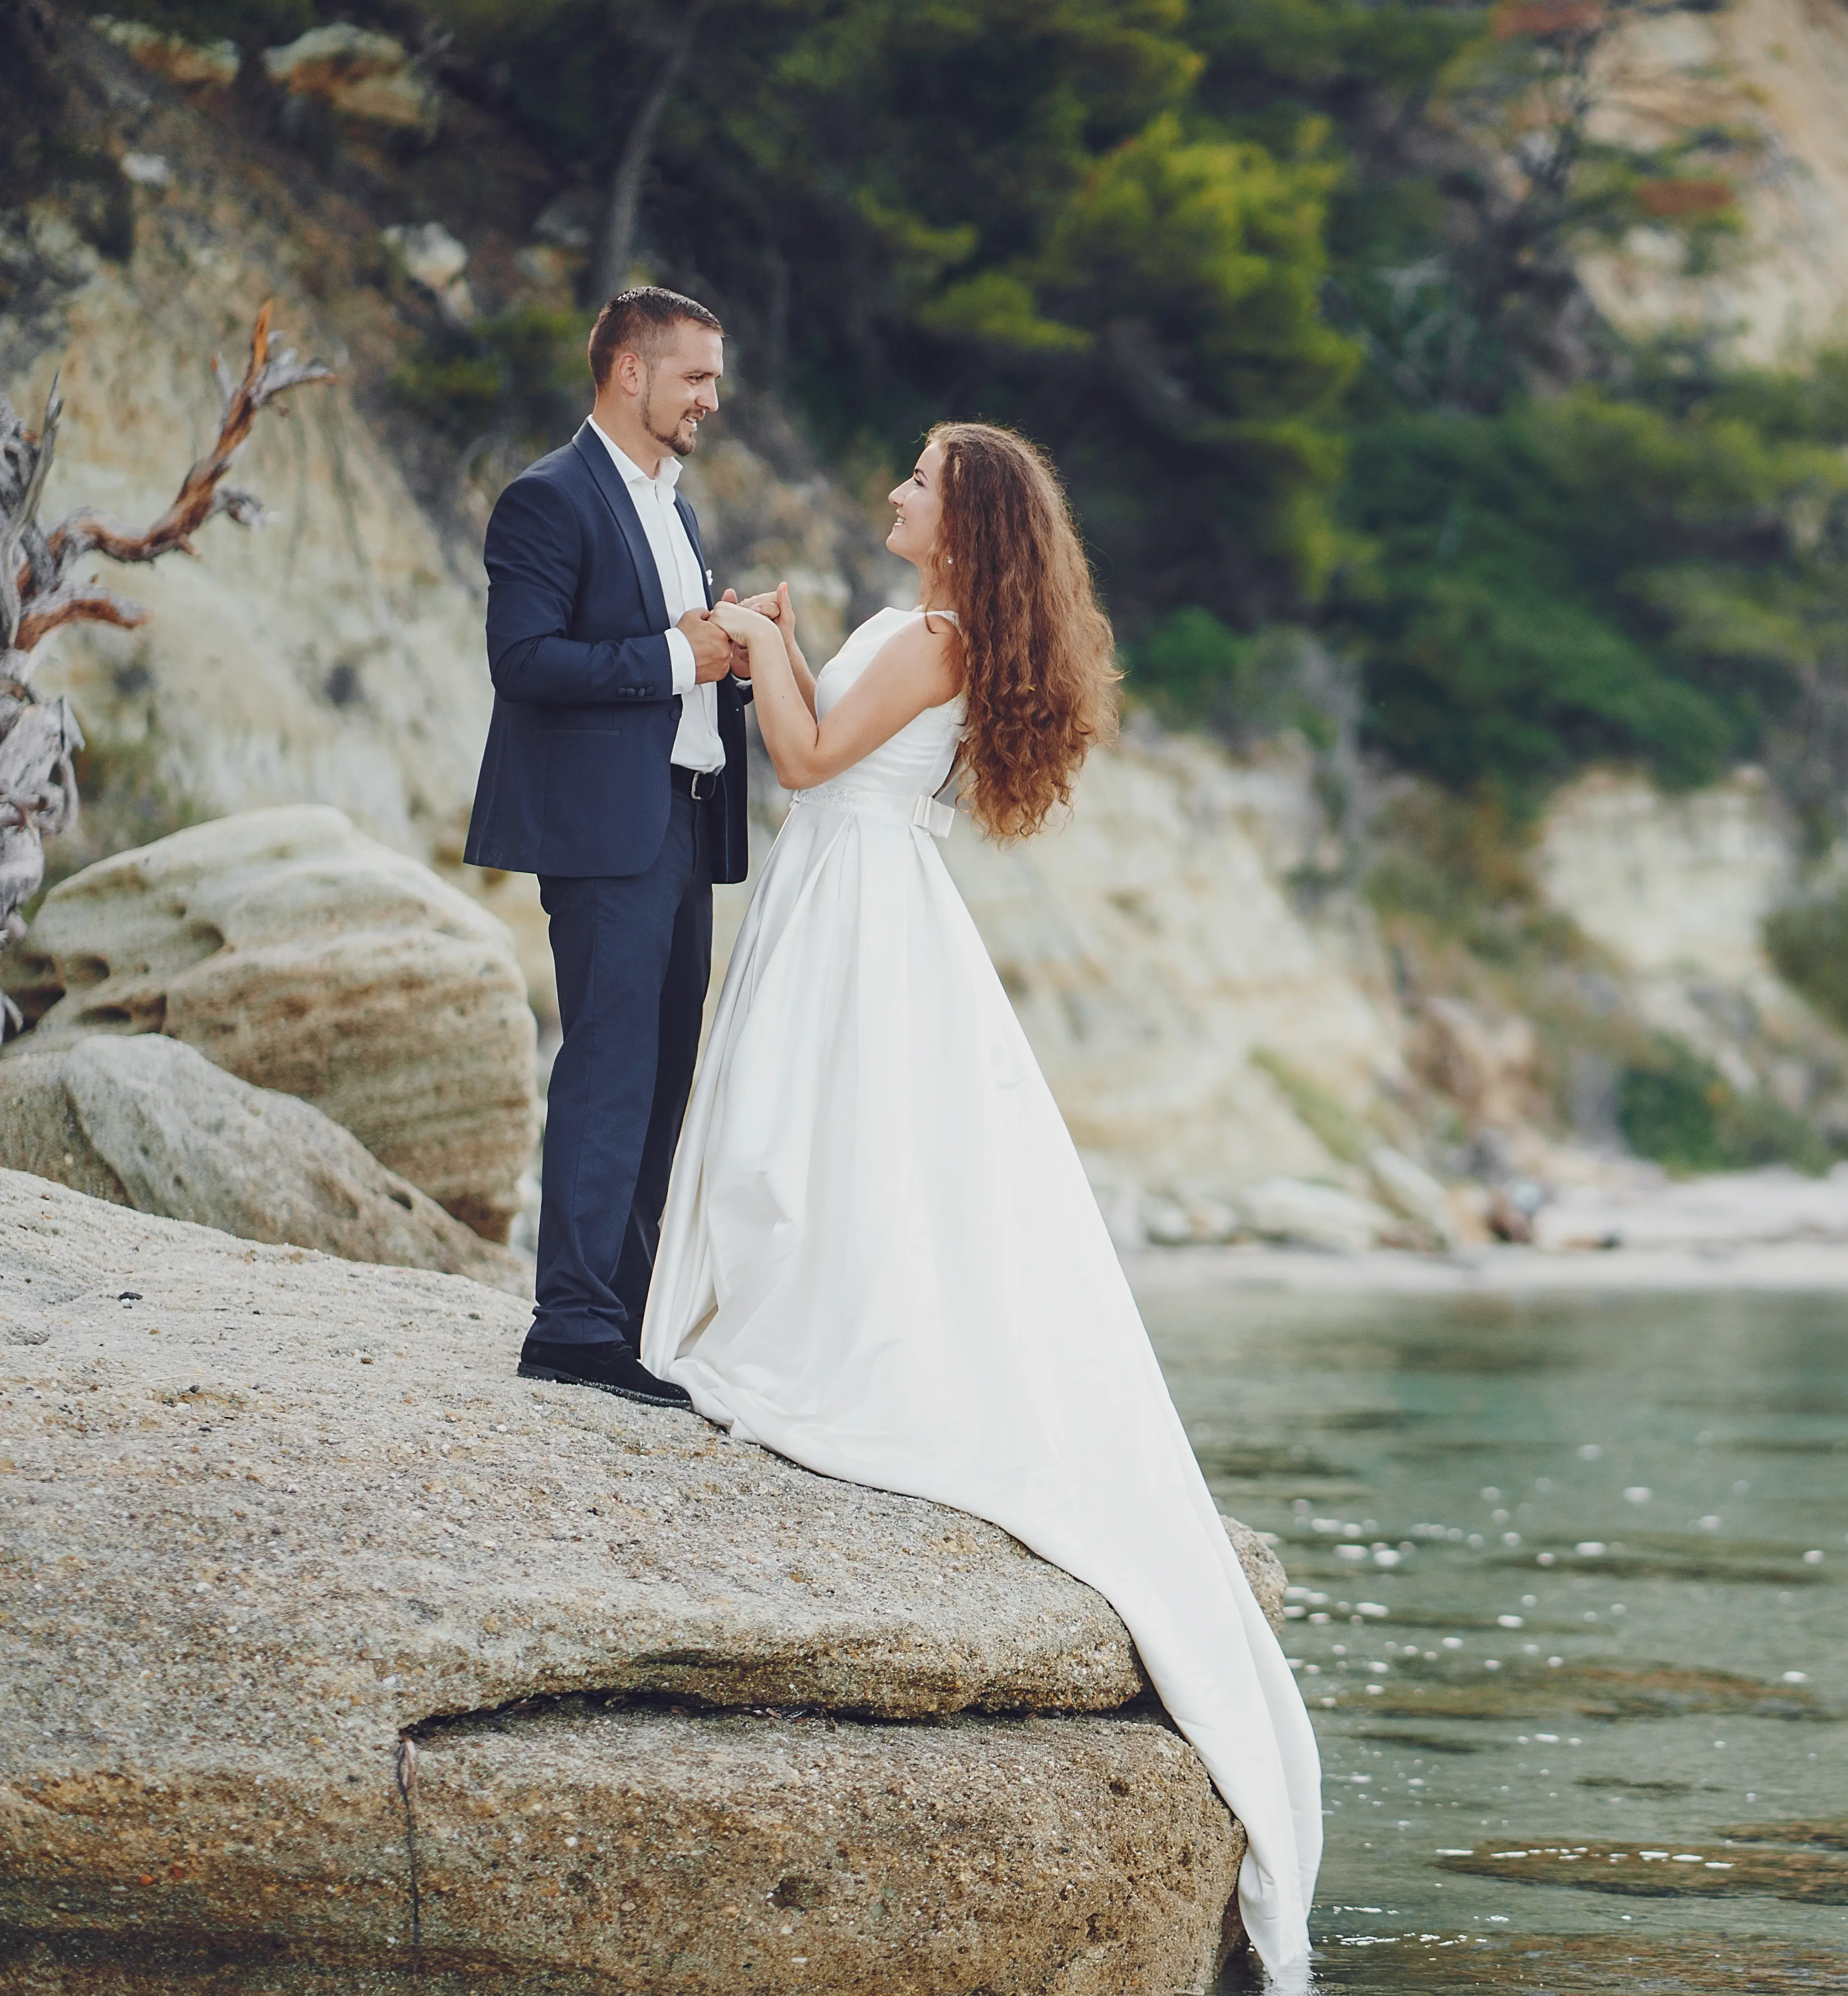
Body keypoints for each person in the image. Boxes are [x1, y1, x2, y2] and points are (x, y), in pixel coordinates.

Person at [640, 424, 1321, 1985]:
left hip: (861, 890)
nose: (894, 492)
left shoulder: (936, 630)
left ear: (966, 518)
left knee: (837, 1140)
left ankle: (809, 1326)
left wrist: (754, 647)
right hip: (860, 886)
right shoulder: (937, 629)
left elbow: (808, 765)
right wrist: (789, 653)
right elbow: (826, 755)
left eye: (921, 479)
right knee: (845, 1142)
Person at [466, 287, 748, 1408]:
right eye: (696, 377)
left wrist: (734, 637)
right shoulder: (548, 499)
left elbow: (670, 647)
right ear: (630, 372)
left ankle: (623, 1314)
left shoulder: (673, 507)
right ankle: (573, 1325)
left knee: (665, 1066)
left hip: (682, 818)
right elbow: (525, 661)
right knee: (609, 1064)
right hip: (604, 829)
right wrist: (685, 658)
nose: (711, 401)